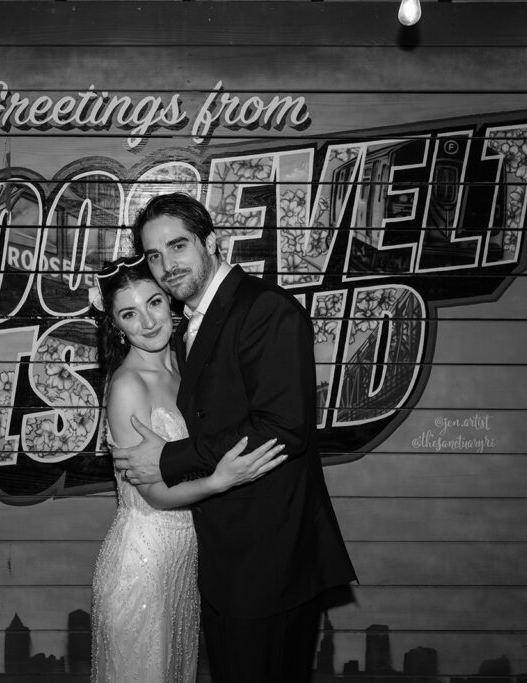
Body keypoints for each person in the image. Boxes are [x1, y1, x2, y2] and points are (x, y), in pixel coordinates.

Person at [112, 193, 357, 683]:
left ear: (212, 242)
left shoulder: (267, 310)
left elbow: (282, 427)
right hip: (223, 562)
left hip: (269, 559)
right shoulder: (185, 327)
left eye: (178, 246)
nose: (166, 266)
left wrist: (171, 458)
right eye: (155, 256)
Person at [89, 255, 287, 683]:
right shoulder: (127, 385)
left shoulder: (185, 366)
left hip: (184, 561)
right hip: (143, 564)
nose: (146, 322)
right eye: (129, 314)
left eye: (154, 303)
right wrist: (222, 480)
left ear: (170, 301)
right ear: (115, 326)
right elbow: (152, 494)